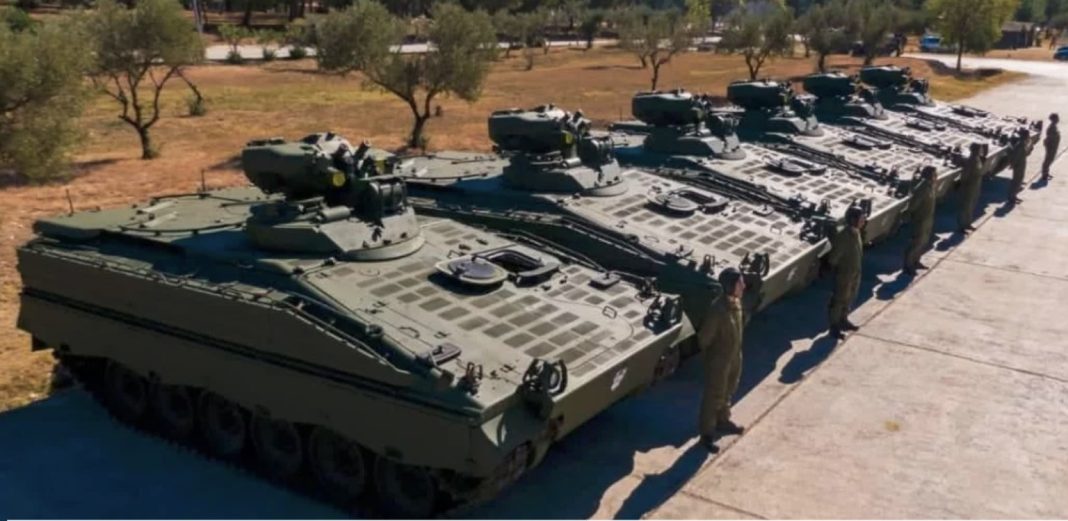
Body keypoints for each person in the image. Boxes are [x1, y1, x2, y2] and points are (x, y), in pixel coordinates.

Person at [697, 267, 746, 452]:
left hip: (734, 356)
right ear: (730, 286)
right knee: (714, 396)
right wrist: (714, 357)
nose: (743, 286)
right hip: (719, 361)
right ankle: (707, 434)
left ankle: (723, 420)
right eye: (740, 283)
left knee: (729, 390)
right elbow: (704, 339)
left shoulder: (736, 304)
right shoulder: (717, 310)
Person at [828, 205, 865, 338]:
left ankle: (843, 320)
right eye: (861, 219)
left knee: (849, 297)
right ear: (853, 220)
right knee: (839, 300)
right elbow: (833, 258)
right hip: (844, 274)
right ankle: (834, 326)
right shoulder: (844, 236)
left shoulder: (856, 232)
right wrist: (840, 270)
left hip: (854, 272)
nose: (863, 221)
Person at [904, 166, 937, 275]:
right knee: (916, 242)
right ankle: (908, 265)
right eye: (934, 174)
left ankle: (916, 261)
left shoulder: (930, 186)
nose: (936, 177)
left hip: (927, 218)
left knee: (923, 241)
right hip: (920, 219)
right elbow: (914, 205)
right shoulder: (922, 188)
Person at [957, 142, 987, 234]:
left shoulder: (977, 159)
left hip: (975, 186)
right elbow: (965, 175)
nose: (981, 150)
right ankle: (961, 226)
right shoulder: (971, 161)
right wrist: (964, 186)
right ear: (975, 150)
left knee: (971, 206)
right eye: (980, 149)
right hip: (969, 187)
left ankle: (968, 223)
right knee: (966, 207)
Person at [1006, 129, 1031, 206]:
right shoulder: (1020, 145)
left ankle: (1014, 195)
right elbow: (1015, 156)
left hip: (1021, 165)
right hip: (1018, 166)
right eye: (1027, 135)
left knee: (1019, 181)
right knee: (1016, 182)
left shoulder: (1023, 143)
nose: (1028, 136)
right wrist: (1012, 164)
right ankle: (1011, 197)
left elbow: (1026, 153)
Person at [1042, 113, 1060, 181]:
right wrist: (1049, 146)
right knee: (1048, 160)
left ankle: (1046, 173)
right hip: (1051, 146)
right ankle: (1044, 174)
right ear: (1054, 119)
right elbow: (1049, 138)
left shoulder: (1054, 126)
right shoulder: (1051, 128)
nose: (1058, 119)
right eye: (1057, 118)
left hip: (1053, 146)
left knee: (1050, 160)